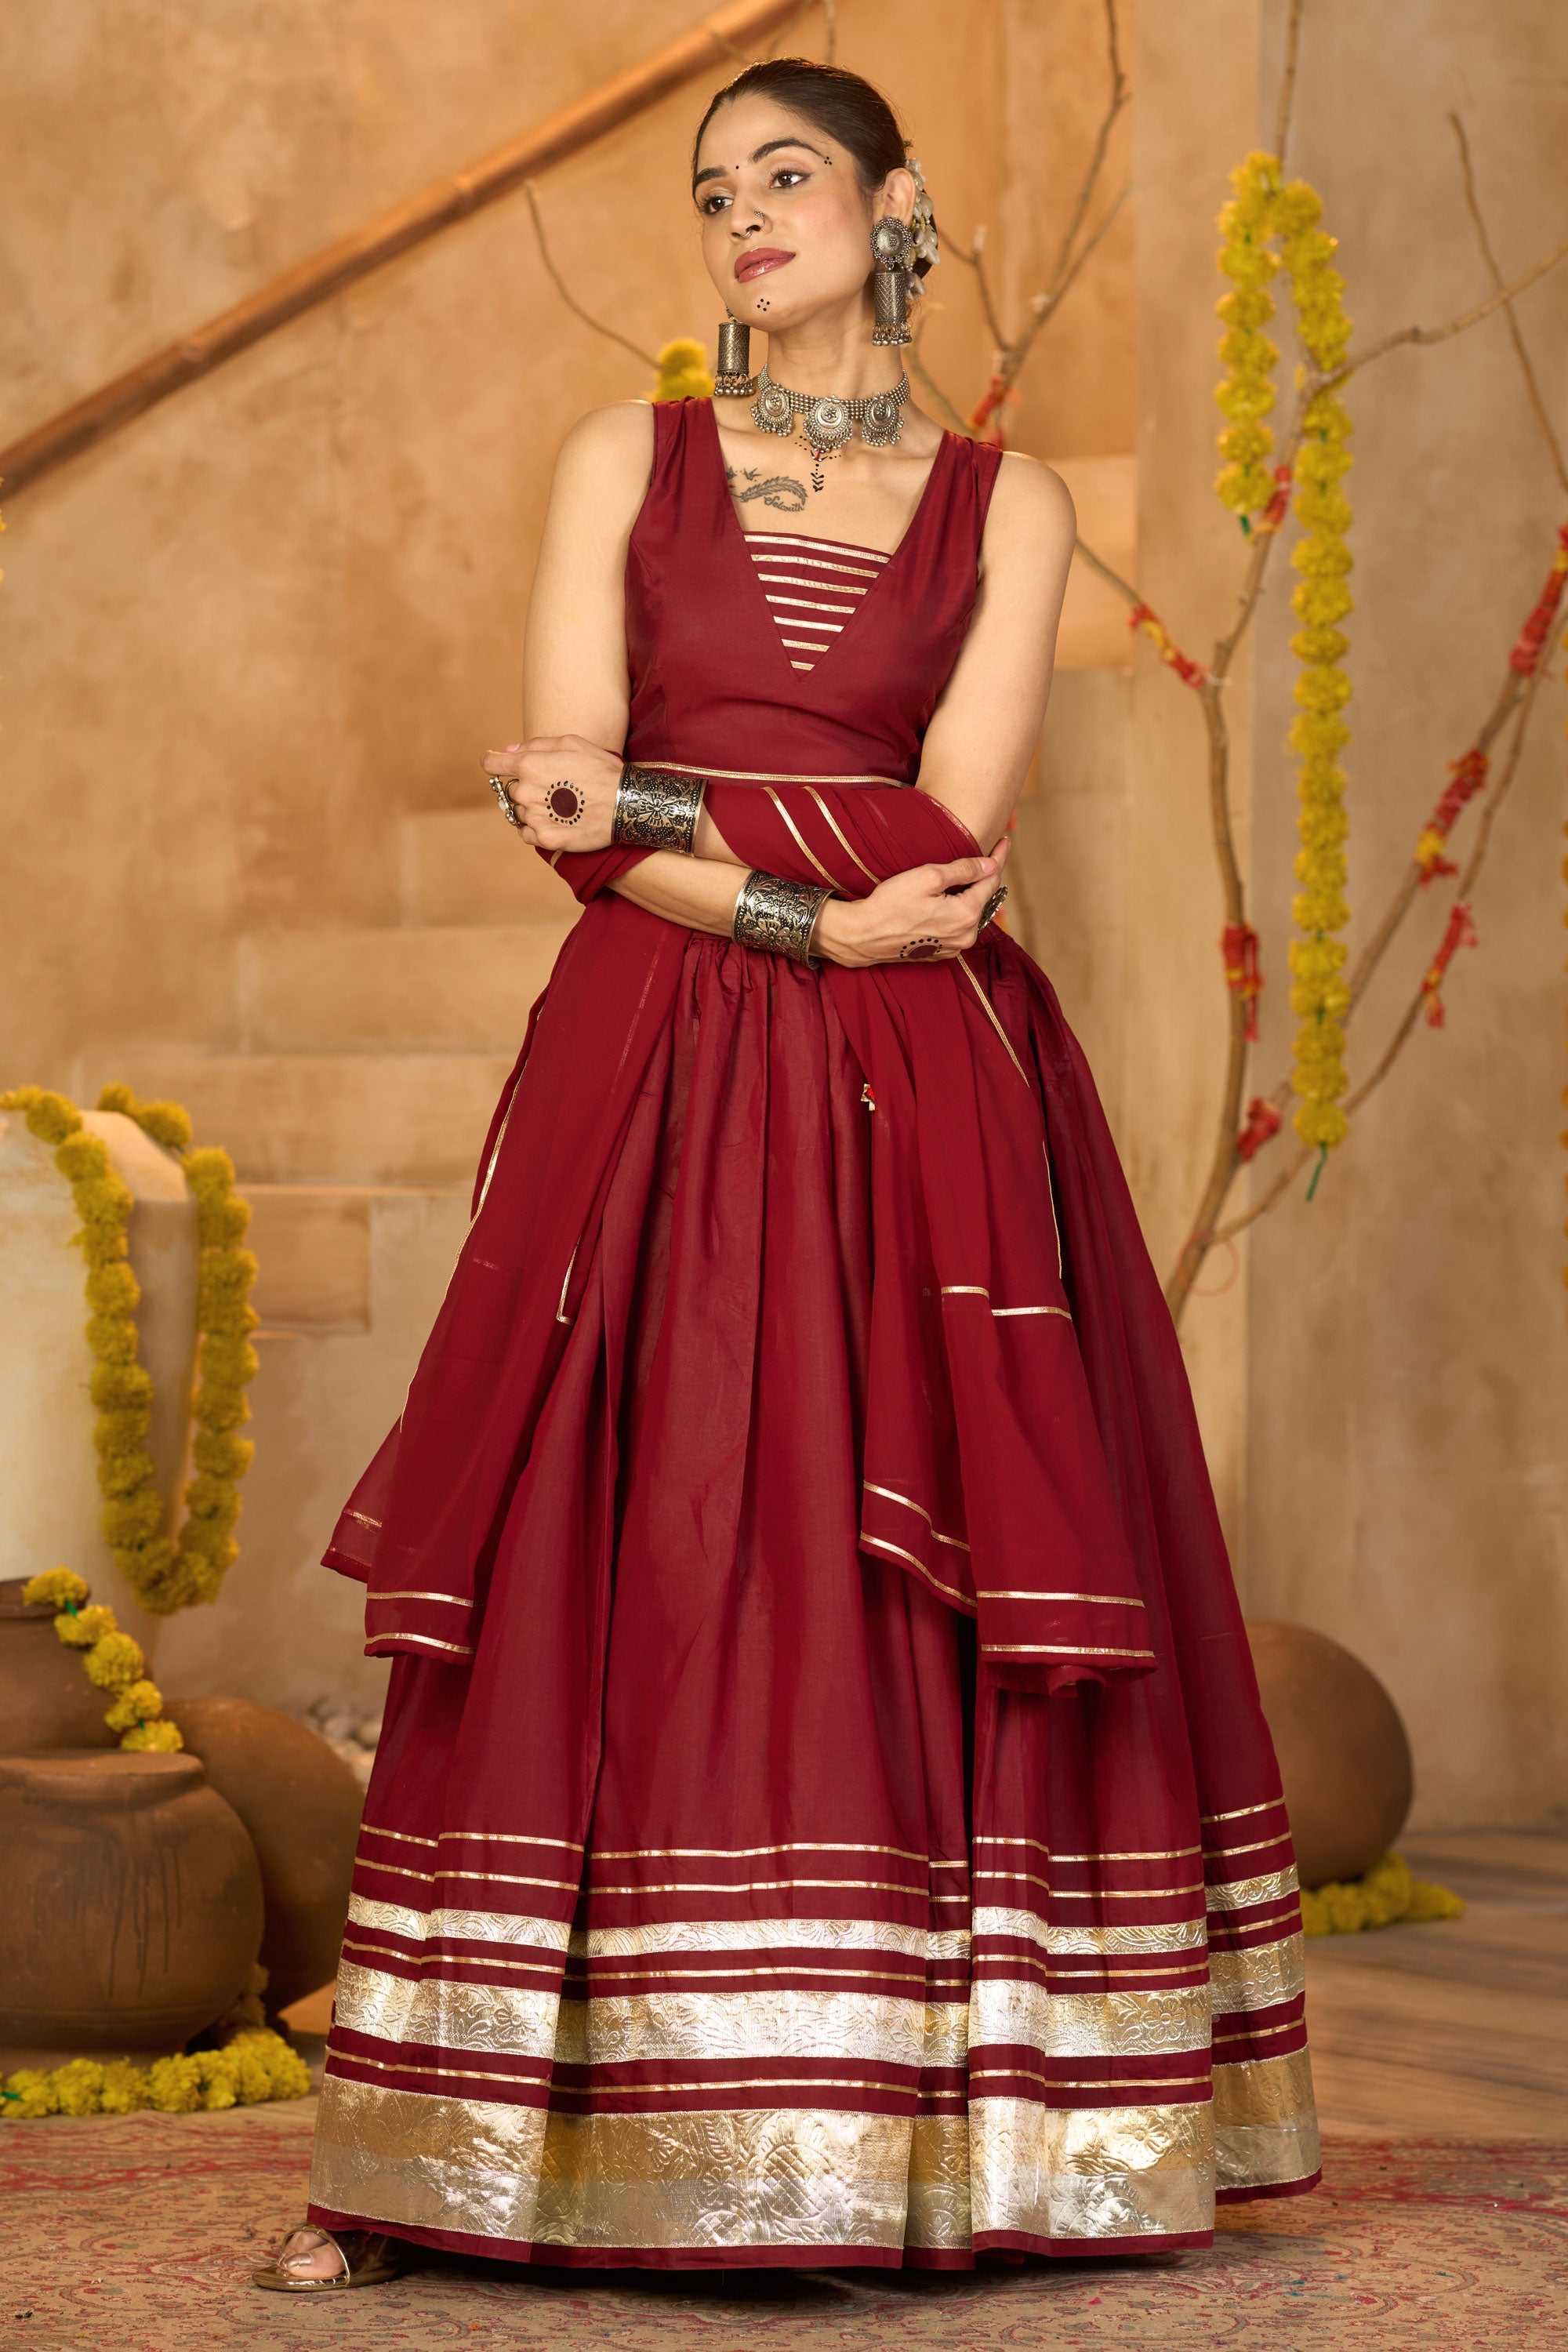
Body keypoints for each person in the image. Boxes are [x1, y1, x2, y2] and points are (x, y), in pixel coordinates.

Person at [252, 56, 1319, 2294]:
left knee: (885, 1562)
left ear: (894, 206)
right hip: (655, 1062)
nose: (743, 216)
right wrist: (793, 917)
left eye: (789, 175)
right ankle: (469, 2150)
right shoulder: (621, 463)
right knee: (617, 1534)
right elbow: (573, 814)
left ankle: (914, 2145)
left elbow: (950, 819)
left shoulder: (1007, 506)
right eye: (712, 188)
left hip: (922, 1087)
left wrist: (647, 808)